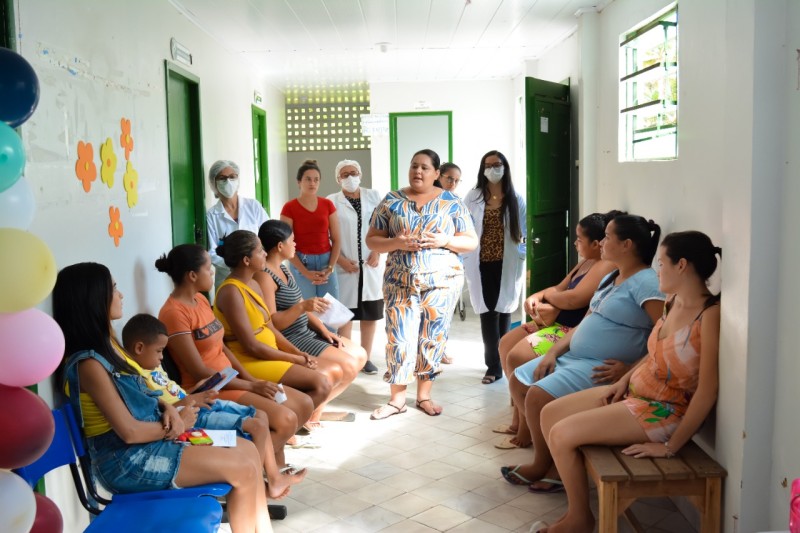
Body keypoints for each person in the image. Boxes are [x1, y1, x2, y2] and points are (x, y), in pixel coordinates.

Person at [53, 263, 271, 532]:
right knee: (244, 469)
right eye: (114, 289)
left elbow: (137, 393)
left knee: (248, 451)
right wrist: (179, 421)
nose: (120, 295)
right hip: (126, 461)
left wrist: (166, 405)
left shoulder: (109, 348)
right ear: (93, 299)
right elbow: (130, 432)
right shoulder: (89, 365)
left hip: (149, 441)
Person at [536, 232, 721, 533]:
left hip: (664, 410)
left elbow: (707, 390)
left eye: (662, 264)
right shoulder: (672, 301)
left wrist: (672, 447)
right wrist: (624, 379)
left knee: (561, 434)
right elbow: (654, 354)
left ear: (682, 266)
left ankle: (579, 519)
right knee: (549, 413)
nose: (658, 271)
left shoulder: (709, 315)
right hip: (637, 391)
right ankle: (576, 504)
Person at [500, 215, 665, 493]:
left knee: (538, 396)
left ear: (626, 245)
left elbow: (662, 336)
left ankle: (544, 465)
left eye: (608, 237)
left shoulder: (646, 282)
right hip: (574, 357)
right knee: (518, 379)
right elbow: (586, 321)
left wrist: (629, 369)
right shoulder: (612, 276)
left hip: (601, 365)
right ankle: (549, 458)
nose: (602, 243)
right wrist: (553, 351)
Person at [156, 244, 315, 468]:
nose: (212, 272)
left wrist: (251, 380)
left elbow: (222, 347)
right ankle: (252, 474)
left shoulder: (201, 300)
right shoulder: (173, 313)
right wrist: (250, 386)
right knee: (286, 419)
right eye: (208, 268)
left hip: (231, 379)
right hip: (211, 388)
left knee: (304, 404)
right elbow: (200, 372)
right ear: (192, 275)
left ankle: (270, 469)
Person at [121, 313, 306, 497]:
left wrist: (196, 390)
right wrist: (192, 399)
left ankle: (272, 479)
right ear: (139, 348)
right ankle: (256, 488)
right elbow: (162, 411)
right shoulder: (135, 377)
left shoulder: (150, 365)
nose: (162, 357)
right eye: (159, 351)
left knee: (262, 416)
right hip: (190, 417)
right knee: (256, 426)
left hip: (195, 403)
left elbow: (172, 394)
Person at [365, 148, 478, 419]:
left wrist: (445, 241)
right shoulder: (391, 200)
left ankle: (424, 396)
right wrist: (396, 243)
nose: (418, 171)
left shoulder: (452, 202)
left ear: (437, 173)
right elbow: (372, 240)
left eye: (425, 167)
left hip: (441, 282)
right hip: (399, 281)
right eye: (414, 166)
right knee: (399, 337)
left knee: (433, 336)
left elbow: (471, 242)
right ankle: (397, 400)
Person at [493, 211, 619, 449]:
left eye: (579, 239)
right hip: (553, 319)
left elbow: (575, 299)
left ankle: (526, 428)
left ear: (596, 243)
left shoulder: (605, 265)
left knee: (517, 356)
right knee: (506, 343)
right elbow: (561, 287)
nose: (575, 243)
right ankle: (518, 418)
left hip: (568, 326)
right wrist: (539, 295)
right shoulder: (587, 261)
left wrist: (550, 298)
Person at [213, 230, 349, 431]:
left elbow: (269, 327)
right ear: (246, 260)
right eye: (260, 251)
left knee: (322, 381)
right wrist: (294, 359)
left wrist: (295, 352)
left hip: (268, 353)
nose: (265, 254)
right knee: (321, 384)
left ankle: (287, 426)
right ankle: (283, 428)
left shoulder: (253, 284)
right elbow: (251, 346)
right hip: (249, 360)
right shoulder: (231, 292)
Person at [255, 220, 368, 428]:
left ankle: (314, 411)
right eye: (292, 241)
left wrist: (325, 331)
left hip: (305, 331)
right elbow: (273, 323)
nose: (295, 245)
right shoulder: (265, 276)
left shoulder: (284, 269)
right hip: (291, 338)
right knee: (349, 366)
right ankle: (308, 414)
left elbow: (300, 304)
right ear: (280, 246)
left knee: (360, 355)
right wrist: (302, 307)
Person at [462, 150, 527, 384]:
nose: (493, 169)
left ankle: (503, 362)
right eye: (488, 165)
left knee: (504, 312)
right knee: (488, 313)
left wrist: (521, 256)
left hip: (506, 263)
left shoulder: (515, 198)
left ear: (505, 167)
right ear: (482, 169)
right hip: (480, 263)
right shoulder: (473, 196)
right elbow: (462, 226)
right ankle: (493, 365)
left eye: (497, 164)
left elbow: (525, 233)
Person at [325, 159, 385, 375]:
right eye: (344, 174)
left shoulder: (373, 196)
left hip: (370, 265)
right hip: (344, 267)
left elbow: (383, 226)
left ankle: (365, 358)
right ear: (338, 178)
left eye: (353, 173)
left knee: (369, 315)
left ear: (360, 174)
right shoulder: (331, 201)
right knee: (345, 315)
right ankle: (347, 357)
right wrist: (339, 259)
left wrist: (377, 251)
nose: (350, 177)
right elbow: (327, 235)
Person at [280, 160, 341, 300]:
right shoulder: (289, 208)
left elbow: (337, 239)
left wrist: (330, 268)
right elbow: (285, 244)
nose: (312, 183)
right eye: (308, 179)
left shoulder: (327, 205)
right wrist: (305, 272)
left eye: (316, 180)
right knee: (304, 310)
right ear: (299, 182)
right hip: (300, 262)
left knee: (330, 308)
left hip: (326, 261)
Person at [206, 159, 270, 290]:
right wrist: (237, 265)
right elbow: (211, 252)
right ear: (214, 183)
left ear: (238, 179)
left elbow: (268, 235)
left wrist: (256, 262)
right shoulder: (211, 215)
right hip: (227, 278)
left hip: (257, 275)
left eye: (232, 177)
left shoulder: (253, 206)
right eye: (222, 178)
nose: (228, 181)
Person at [436, 162, 463, 365]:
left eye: (456, 180)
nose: (452, 183)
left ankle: (440, 349)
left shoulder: (456, 203)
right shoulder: (426, 199)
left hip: (450, 264)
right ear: (439, 176)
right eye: (449, 178)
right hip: (428, 266)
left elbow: (465, 236)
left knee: (444, 313)